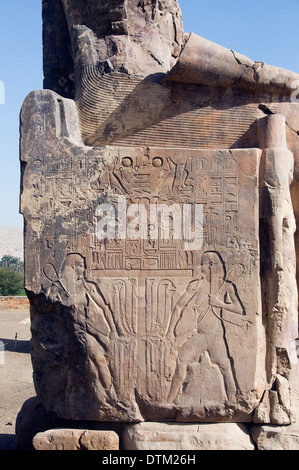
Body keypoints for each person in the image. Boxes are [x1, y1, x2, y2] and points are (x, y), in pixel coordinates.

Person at [167, 251, 245, 403]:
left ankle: (233, 402)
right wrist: (170, 331)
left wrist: (220, 304)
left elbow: (239, 309)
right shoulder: (196, 285)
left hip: (215, 335)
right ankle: (169, 400)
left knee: (225, 367)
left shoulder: (226, 287)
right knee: (182, 360)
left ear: (210, 265)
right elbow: (178, 307)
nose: (200, 268)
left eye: (202, 264)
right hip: (200, 335)